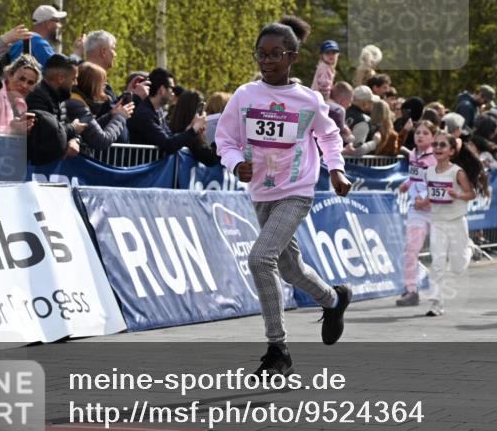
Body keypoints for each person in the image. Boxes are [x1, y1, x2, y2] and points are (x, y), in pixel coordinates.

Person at [215, 21, 353, 376]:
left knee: (261, 259)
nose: (267, 60)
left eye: (276, 54)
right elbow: (225, 139)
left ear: (291, 57)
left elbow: (330, 136)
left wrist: (335, 169)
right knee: (291, 269)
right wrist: (235, 164)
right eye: (261, 54)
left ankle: (278, 349)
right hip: (262, 192)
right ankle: (334, 300)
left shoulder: (308, 99)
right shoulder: (245, 95)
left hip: (296, 191)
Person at [413, 132, 487, 317]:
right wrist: (422, 203)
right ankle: (436, 304)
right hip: (437, 222)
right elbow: (433, 194)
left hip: (456, 222)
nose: (437, 148)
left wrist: (458, 195)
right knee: (437, 262)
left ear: (451, 151)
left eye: (443, 145)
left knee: (458, 267)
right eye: (435, 144)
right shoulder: (428, 172)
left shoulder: (457, 172)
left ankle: (469, 248)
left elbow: (471, 194)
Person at [395, 121, 438, 307]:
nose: (420, 135)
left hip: (436, 210)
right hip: (417, 210)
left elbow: (439, 184)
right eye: (418, 132)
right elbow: (416, 177)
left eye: (425, 133)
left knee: (440, 252)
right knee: (410, 250)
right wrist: (407, 184)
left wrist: (426, 200)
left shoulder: (436, 157)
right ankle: (411, 290)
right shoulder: (413, 154)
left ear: (433, 137)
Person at [127, 67, 206, 153]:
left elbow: (169, 137)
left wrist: (190, 129)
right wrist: (193, 129)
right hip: (144, 165)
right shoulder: (144, 114)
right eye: (171, 88)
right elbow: (167, 144)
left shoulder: (157, 111)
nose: (173, 92)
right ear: (162, 90)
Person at [66, 61, 132, 151]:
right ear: (92, 85)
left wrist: (111, 115)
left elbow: (89, 129)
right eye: (103, 84)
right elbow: (101, 141)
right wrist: (120, 117)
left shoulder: (76, 101)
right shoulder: (76, 104)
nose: (104, 88)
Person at [0, 54, 41, 134]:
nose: (25, 85)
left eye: (30, 83)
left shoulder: (21, 103)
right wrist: (13, 130)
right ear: (10, 75)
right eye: (22, 79)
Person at [168, 90, 219, 166]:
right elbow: (210, 158)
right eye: (203, 108)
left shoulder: (170, 128)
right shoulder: (191, 134)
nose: (204, 113)